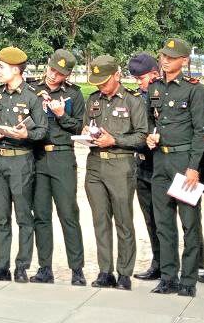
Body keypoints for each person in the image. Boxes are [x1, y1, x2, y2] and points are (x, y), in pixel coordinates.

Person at [145, 36, 204, 297]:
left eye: (171, 57)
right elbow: (151, 120)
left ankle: (188, 280)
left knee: (189, 223)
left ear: (184, 60)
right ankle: (168, 277)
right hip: (161, 160)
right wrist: (150, 136)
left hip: (183, 162)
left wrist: (194, 167)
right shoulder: (154, 86)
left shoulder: (194, 89)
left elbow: (199, 131)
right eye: (164, 56)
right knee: (163, 223)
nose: (166, 61)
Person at [0, 46, 47, 283]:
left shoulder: (32, 96)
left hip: (21, 160)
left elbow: (42, 130)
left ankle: (22, 266)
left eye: (1, 67)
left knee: (23, 216)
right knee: (1, 217)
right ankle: (1, 266)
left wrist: (25, 135)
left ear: (16, 70)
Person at [81, 54, 148, 290]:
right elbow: (86, 125)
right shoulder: (93, 99)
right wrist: (87, 134)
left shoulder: (132, 100)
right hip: (95, 165)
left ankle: (124, 273)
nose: (100, 86)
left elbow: (142, 136)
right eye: (97, 81)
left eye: (104, 81)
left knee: (123, 220)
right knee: (100, 220)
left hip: (121, 165)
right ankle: (105, 271)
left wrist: (115, 140)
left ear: (116, 75)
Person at [30, 48, 87, 286]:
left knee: (68, 214)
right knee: (41, 215)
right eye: (52, 70)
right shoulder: (31, 89)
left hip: (62, 156)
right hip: (37, 156)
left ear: (68, 75)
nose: (54, 75)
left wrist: (62, 114)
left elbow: (80, 128)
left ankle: (77, 269)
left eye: (60, 73)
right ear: (47, 65)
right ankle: (45, 268)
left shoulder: (74, 94)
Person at [127, 53, 163, 282]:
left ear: (155, 74)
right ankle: (158, 262)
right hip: (143, 163)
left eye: (141, 78)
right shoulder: (135, 98)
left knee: (185, 218)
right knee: (151, 218)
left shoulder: (167, 93)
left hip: (166, 163)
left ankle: (197, 263)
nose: (138, 83)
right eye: (136, 79)